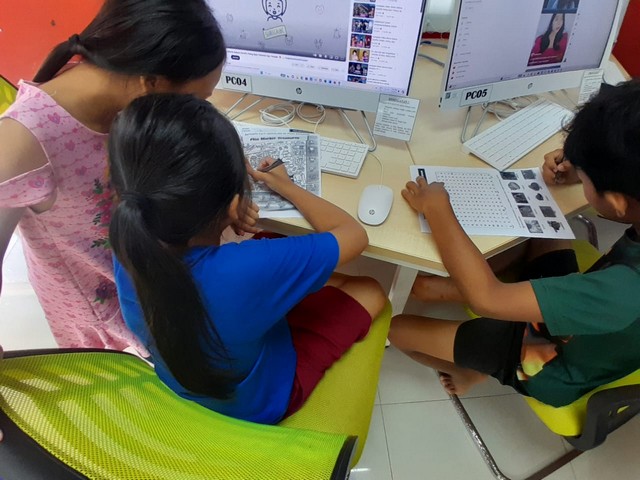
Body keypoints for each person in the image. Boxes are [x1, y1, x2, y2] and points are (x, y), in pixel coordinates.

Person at [108, 93, 388, 424]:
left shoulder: (129, 240)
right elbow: (354, 236)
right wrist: (286, 186)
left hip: (185, 382)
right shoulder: (247, 269)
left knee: (275, 247)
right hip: (260, 401)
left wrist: (222, 218)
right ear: (231, 205)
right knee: (371, 290)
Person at [0, 0, 258, 351]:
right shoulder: (24, 140)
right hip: (108, 319)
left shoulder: (126, 95)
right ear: (150, 83)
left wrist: (220, 198)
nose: (201, 109)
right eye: (196, 99)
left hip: (156, 279)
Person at [388, 80, 640, 408]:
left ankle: (468, 372)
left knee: (395, 328)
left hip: (547, 362)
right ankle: (446, 289)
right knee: (543, 224)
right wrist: (582, 167)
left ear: (618, 201)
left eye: (585, 178)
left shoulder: (623, 292)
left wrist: (437, 209)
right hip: (586, 313)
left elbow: (487, 299)